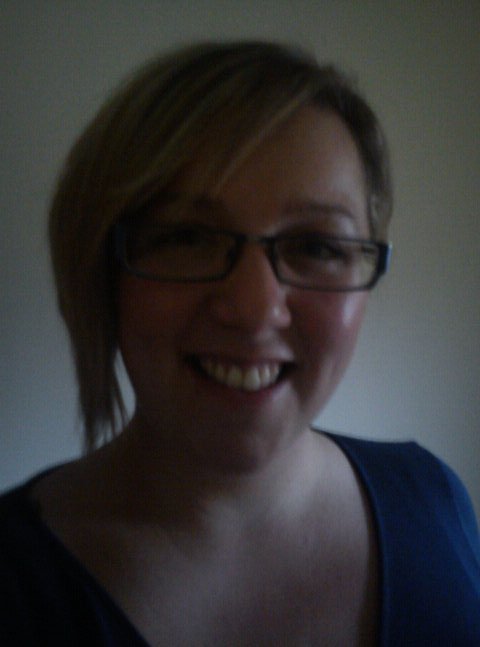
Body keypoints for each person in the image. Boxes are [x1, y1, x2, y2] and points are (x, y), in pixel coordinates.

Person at [0, 41, 479, 647]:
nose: (255, 311)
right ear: (102, 270)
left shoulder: (435, 501)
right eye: (187, 237)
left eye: (317, 246)